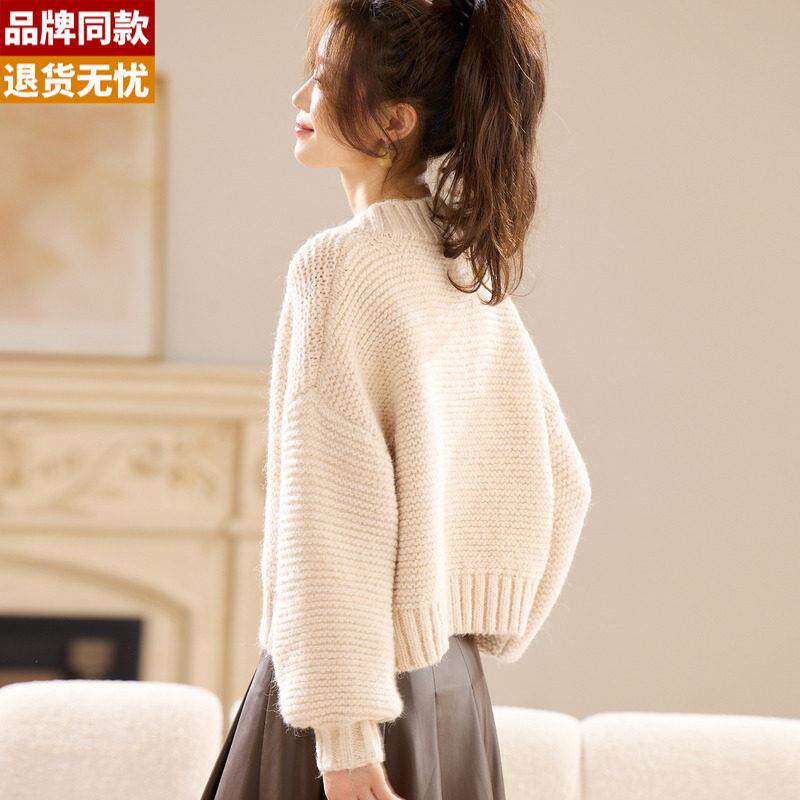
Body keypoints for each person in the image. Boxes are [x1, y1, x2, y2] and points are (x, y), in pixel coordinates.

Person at [201, 0, 592, 798]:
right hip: (452, 689)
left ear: (393, 121)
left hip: (348, 705)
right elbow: (565, 480)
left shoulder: (338, 269)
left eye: (323, 79)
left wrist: (345, 743)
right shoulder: (463, 267)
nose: (300, 98)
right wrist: (470, 610)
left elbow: (327, 525)